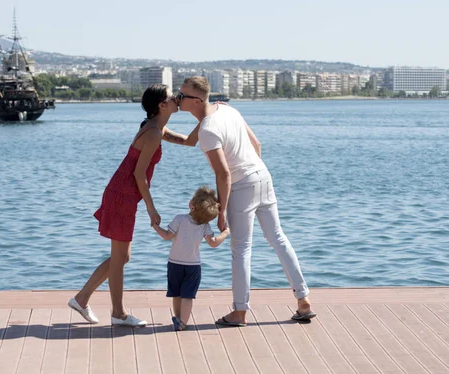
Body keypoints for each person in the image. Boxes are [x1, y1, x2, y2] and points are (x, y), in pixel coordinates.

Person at [172, 76, 316, 326]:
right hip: (263, 176)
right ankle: (303, 301)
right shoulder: (227, 110)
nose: (177, 98)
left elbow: (224, 174)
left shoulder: (208, 129)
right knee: (278, 238)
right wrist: (160, 132)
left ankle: (239, 312)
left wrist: (221, 211)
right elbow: (256, 144)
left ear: (196, 101)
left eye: (181, 96)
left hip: (242, 185)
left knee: (241, 249)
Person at [68, 84, 178, 326]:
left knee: (122, 257)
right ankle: (118, 314)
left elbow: (189, 141)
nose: (176, 98)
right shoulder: (153, 133)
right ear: (161, 105)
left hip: (123, 194)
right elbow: (140, 175)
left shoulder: (156, 127)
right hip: (122, 196)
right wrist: (152, 208)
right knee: (119, 258)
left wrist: (204, 115)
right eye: (173, 97)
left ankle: (81, 298)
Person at [152, 186, 230, 330]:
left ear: (191, 205)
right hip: (193, 266)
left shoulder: (180, 219)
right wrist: (225, 233)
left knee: (176, 294)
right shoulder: (205, 226)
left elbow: (167, 236)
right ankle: (183, 322)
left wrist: (156, 226)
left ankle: (178, 318)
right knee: (187, 296)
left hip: (174, 264)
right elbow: (213, 243)